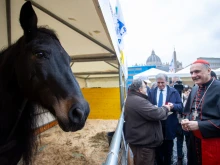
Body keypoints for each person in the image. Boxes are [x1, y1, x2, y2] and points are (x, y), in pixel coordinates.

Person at [124, 78, 172, 165]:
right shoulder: (138, 100)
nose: (147, 89)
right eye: (145, 87)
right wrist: (166, 108)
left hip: (141, 141)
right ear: (140, 89)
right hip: (143, 144)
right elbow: (157, 114)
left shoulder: (134, 98)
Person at [181, 59, 220, 165]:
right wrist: (186, 120)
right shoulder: (194, 89)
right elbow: (189, 111)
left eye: (197, 71)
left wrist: (200, 125)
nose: (194, 75)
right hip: (194, 141)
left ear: (209, 70)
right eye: (191, 73)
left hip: (213, 142)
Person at [148, 73, 183, 165]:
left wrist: (173, 106)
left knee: (168, 150)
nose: (160, 85)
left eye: (162, 82)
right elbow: (147, 106)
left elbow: (180, 106)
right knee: (158, 150)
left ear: (167, 82)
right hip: (156, 124)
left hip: (169, 124)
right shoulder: (152, 92)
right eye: (158, 82)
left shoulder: (173, 91)